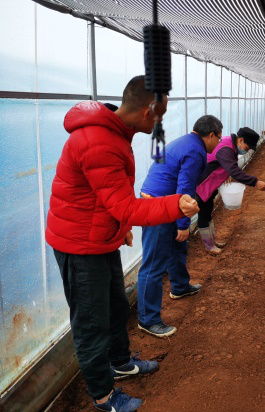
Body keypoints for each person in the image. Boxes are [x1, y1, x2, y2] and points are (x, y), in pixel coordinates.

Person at [46, 75, 200, 411]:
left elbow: (108, 194)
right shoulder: (98, 142)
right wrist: (175, 204)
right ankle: (103, 396)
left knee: (116, 308)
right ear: (147, 112)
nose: (160, 123)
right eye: (159, 116)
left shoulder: (115, 134)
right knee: (90, 322)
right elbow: (125, 204)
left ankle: (120, 363)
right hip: (79, 245)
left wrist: (120, 225)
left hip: (99, 236)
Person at [137, 115, 223, 338]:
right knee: (153, 264)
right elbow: (184, 188)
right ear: (211, 135)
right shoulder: (195, 150)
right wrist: (184, 223)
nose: (219, 142)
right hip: (157, 206)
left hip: (164, 201)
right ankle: (148, 320)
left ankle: (180, 287)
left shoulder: (187, 141)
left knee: (177, 247)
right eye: (219, 137)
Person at [195, 127, 265, 254]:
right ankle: (209, 246)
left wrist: (225, 174)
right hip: (201, 184)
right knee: (204, 213)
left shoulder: (229, 144)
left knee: (208, 212)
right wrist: (255, 182)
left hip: (210, 184)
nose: (246, 151)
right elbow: (234, 171)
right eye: (247, 147)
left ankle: (212, 242)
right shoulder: (226, 148)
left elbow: (224, 165)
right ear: (241, 140)